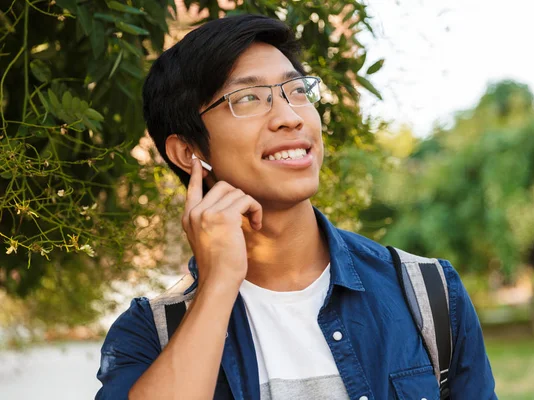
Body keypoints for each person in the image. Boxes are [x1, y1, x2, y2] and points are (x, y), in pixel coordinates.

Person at [95, 14, 497, 400]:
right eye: (249, 97)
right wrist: (219, 284)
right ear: (188, 151)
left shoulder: (430, 294)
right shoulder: (149, 335)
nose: (289, 117)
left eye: (298, 91)